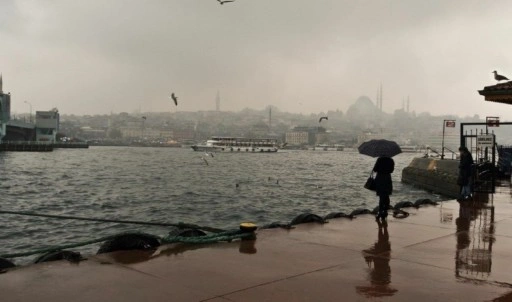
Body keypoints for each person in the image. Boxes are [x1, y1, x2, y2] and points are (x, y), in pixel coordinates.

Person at [373, 156, 395, 221]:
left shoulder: (379, 159)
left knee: (381, 197)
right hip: (387, 179)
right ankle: (385, 212)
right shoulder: (391, 160)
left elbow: (375, 169)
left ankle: (380, 213)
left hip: (380, 179)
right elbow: (392, 170)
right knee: (386, 195)